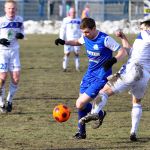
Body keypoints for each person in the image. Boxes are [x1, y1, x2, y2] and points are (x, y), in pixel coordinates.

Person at [55, 17, 127, 139]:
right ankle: (83, 131)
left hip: (101, 77)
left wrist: (113, 60)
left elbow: (122, 51)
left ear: (94, 29)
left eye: (87, 32)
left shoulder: (105, 39)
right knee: (82, 105)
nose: (85, 34)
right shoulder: (85, 37)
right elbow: (78, 42)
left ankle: (97, 114)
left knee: (79, 103)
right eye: (83, 32)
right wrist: (64, 42)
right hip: (89, 75)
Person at [79, 18, 150, 141]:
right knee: (136, 102)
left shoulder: (146, 34)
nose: (141, 29)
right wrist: (122, 37)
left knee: (103, 92)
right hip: (145, 74)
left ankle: (95, 112)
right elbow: (130, 51)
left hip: (132, 70)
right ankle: (133, 132)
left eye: (143, 27)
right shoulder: (142, 41)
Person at [0, 0, 24, 113]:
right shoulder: (1, 21)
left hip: (14, 52)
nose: (11, 10)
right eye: (9, 8)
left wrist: (21, 35)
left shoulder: (19, 20)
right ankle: (1, 102)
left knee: (16, 78)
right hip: (2, 52)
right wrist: (0, 40)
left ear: (16, 9)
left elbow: (23, 33)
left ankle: (9, 100)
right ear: (5, 9)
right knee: (2, 78)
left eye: (13, 8)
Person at [59, 7, 81, 72]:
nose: (73, 14)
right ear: (69, 13)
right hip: (68, 40)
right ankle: (64, 68)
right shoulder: (65, 20)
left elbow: (81, 30)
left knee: (76, 53)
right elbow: (62, 29)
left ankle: (77, 67)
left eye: (74, 12)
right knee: (67, 53)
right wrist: (61, 39)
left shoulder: (79, 20)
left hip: (77, 40)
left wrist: (82, 39)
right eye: (72, 12)